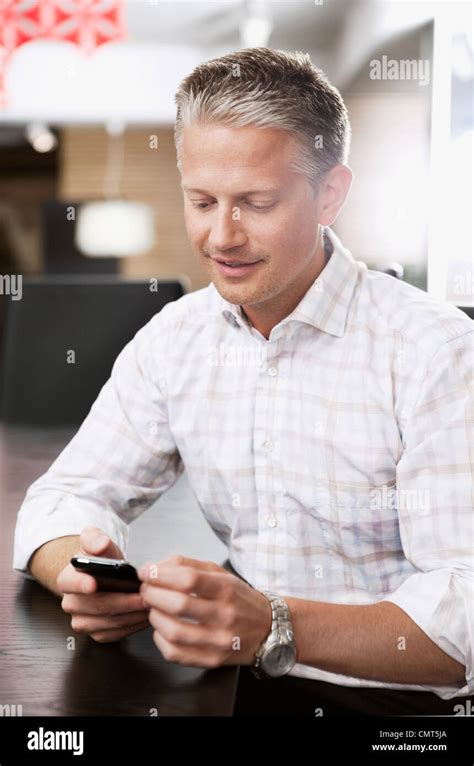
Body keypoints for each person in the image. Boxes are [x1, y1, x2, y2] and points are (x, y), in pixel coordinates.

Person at [13, 48, 473, 716]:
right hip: (240, 686)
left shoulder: (437, 351)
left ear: (330, 195)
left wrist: (272, 624)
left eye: (256, 203)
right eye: (201, 201)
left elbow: (466, 612)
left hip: (406, 709)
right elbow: (63, 495)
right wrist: (79, 574)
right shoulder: (176, 339)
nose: (220, 236)